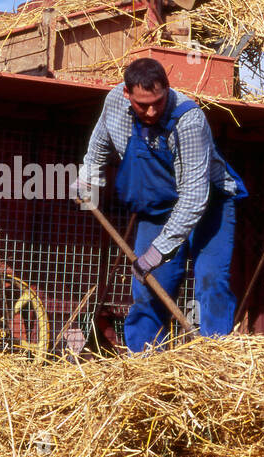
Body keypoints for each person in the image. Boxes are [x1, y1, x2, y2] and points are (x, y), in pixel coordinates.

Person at [76, 56, 246, 351]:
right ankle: (147, 362)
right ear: (127, 94)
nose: (152, 110)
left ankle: (216, 362)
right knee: (148, 287)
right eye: (143, 105)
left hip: (209, 205)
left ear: (167, 88)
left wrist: (158, 251)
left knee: (211, 282)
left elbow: (194, 198)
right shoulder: (115, 102)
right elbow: (100, 143)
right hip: (159, 208)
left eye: (158, 101)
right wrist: (87, 179)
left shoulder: (188, 119)